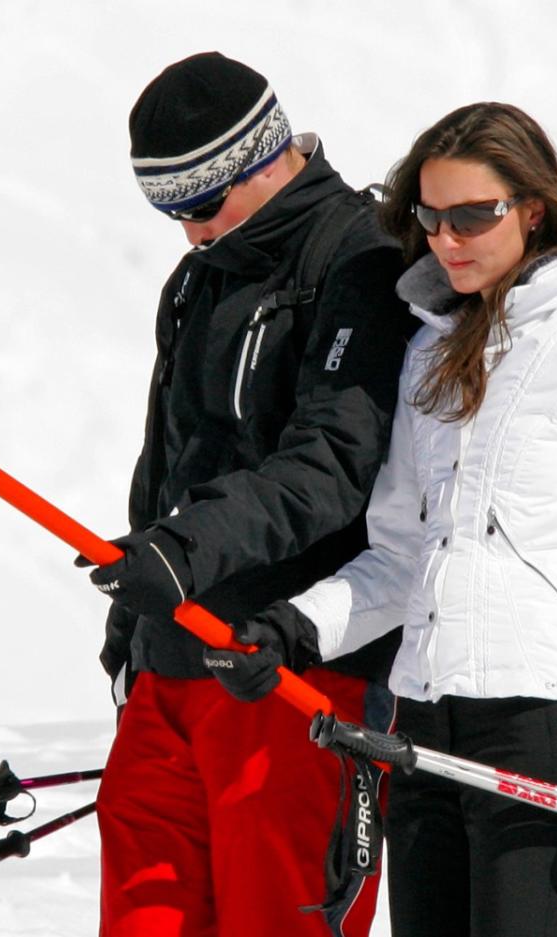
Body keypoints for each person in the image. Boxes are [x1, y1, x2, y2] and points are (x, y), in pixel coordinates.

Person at [205, 102, 557, 937]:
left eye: (474, 215)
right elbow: (400, 555)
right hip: (423, 718)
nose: (447, 238)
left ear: (532, 208)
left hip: (540, 724)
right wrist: (293, 629)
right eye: (431, 218)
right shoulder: (431, 351)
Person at [80, 52, 415, 937]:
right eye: (168, 213)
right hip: (173, 662)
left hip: (291, 672)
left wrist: (188, 552)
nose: (188, 233)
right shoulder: (200, 277)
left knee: (278, 917)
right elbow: (169, 460)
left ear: (262, 159)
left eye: (198, 205)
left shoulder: (362, 263)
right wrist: (134, 623)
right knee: (144, 914)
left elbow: (333, 462)